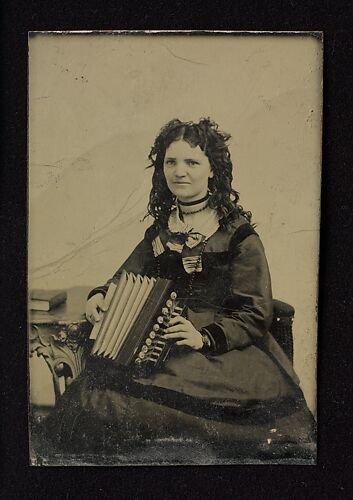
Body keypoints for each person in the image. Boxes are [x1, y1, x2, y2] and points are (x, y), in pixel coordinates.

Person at [38, 118, 316, 463]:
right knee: (95, 403)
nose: (179, 172)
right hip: (156, 342)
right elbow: (127, 275)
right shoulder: (161, 230)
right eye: (171, 162)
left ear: (212, 170)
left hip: (219, 351)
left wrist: (203, 337)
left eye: (192, 162)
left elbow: (256, 311)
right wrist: (101, 294)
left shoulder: (239, 236)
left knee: (174, 420)